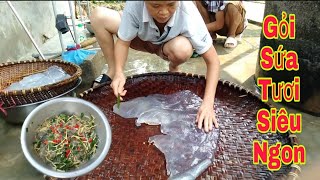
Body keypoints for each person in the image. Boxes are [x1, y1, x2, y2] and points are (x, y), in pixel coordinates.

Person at [90, 1, 220, 132]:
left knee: (182, 49)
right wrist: (119, 71)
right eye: (155, 5)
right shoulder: (134, 5)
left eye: (170, 4)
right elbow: (123, 43)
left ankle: (173, 67)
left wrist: (208, 104)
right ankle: (112, 71)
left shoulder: (189, 13)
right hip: (138, 38)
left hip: (167, 45)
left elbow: (213, 61)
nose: (163, 12)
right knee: (98, 16)